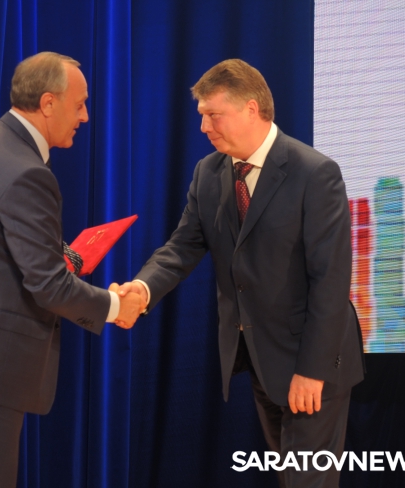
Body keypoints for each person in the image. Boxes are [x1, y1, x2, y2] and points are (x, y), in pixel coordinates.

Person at [116, 59, 364, 487]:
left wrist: (312, 370)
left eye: (214, 115)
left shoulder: (314, 173)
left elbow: (330, 280)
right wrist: (141, 289)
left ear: (251, 109)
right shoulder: (209, 173)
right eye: (202, 116)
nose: (203, 127)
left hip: (312, 362)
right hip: (259, 358)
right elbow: (182, 247)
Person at [0, 52, 145, 488]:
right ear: (48, 103)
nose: (86, 117)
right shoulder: (27, 172)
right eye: (80, 104)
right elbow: (49, 286)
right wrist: (116, 306)